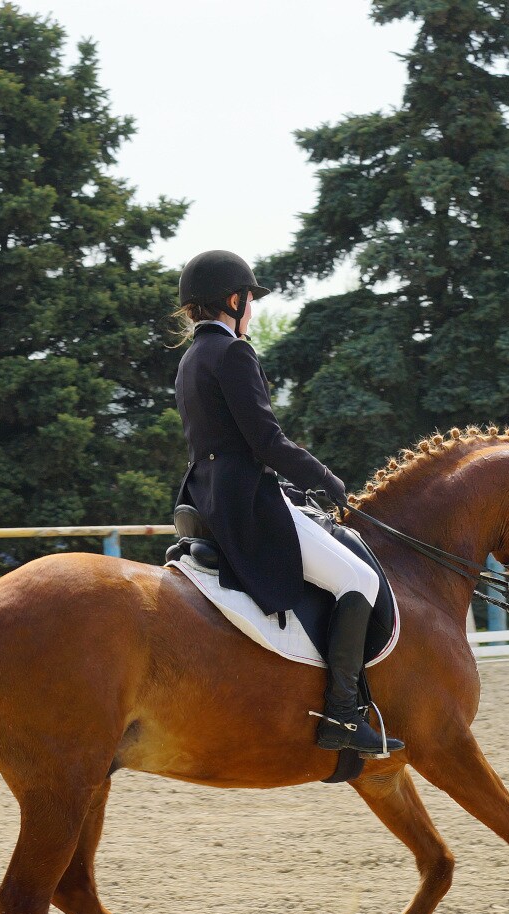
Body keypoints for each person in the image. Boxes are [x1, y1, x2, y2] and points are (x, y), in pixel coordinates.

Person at [172, 249, 402, 757]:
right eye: (249, 300)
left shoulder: (190, 358)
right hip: (246, 501)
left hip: (204, 494)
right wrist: (328, 481)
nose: (250, 310)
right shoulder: (233, 353)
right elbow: (266, 442)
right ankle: (343, 716)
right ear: (234, 300)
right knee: (359, 580)